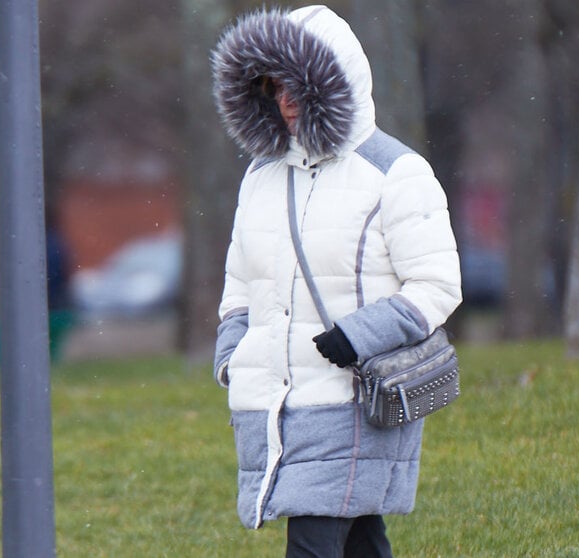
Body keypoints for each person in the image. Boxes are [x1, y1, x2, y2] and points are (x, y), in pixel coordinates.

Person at [210, 6, 462, 557]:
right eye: (274, 84)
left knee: (316, 540)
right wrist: (233, 351)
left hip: (354, 398)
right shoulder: (260, 175)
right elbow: (240, 281)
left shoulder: (396, 173)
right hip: (277, 399)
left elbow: (438, 284)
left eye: (298, 82)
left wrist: (359, 335)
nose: (286, 98)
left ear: (333, 80)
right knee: (359, 543)